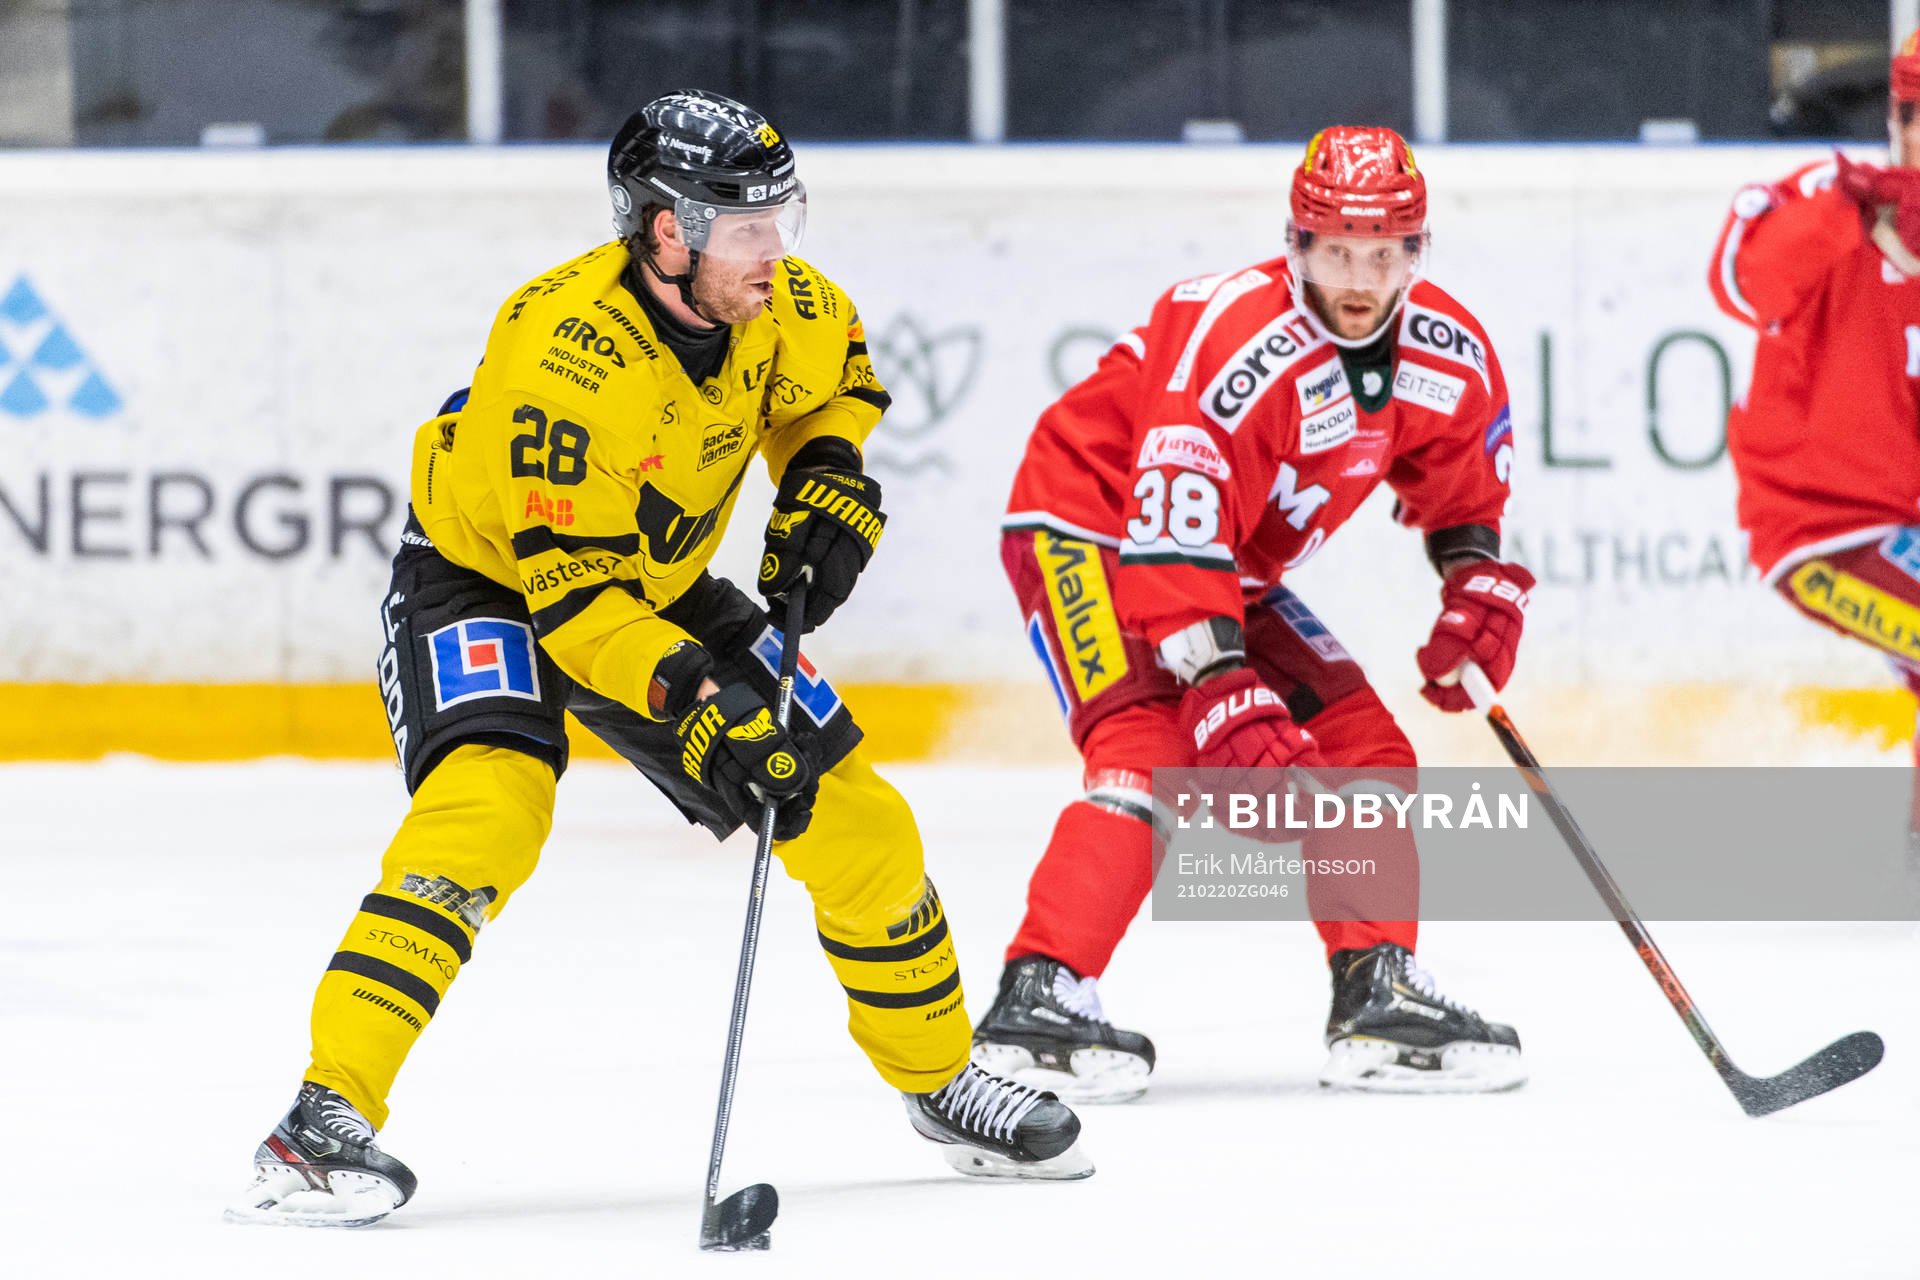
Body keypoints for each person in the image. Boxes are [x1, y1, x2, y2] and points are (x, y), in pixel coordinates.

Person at [228, 90, 1089, 1228]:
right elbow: (576, 608)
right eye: (744, 226)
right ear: (665, 229)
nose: (774, 250)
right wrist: (699, 698)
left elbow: (824, 387)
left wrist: (827, 473)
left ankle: (938, 1078)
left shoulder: (778, 296)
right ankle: (319, 1119)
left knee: (859, 819)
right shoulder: (562, 358)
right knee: (486, 812)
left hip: (652, 578)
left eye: (782, 218)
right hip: (484, 580)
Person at [974, 126, 1530, 1102]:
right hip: (1085, 520)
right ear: (1295, 243)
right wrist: (1222, 682)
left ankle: (1376, 988)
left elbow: (1462, 488)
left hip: (1220, 561)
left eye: (1385, 251)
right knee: (1152, 743)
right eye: (1336, 250)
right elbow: (1169, 531)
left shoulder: (1447, 350)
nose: (1360, 277)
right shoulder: (1235, 343)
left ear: (1417, 250)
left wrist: (1475, 580)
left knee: (1364, 745)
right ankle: (1041, 992)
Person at [1708, 32, 1920, 846]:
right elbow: (1738, 283)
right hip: (1820, 533)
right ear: (1898, 121)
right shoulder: (1823, 192)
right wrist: (1847, 211)